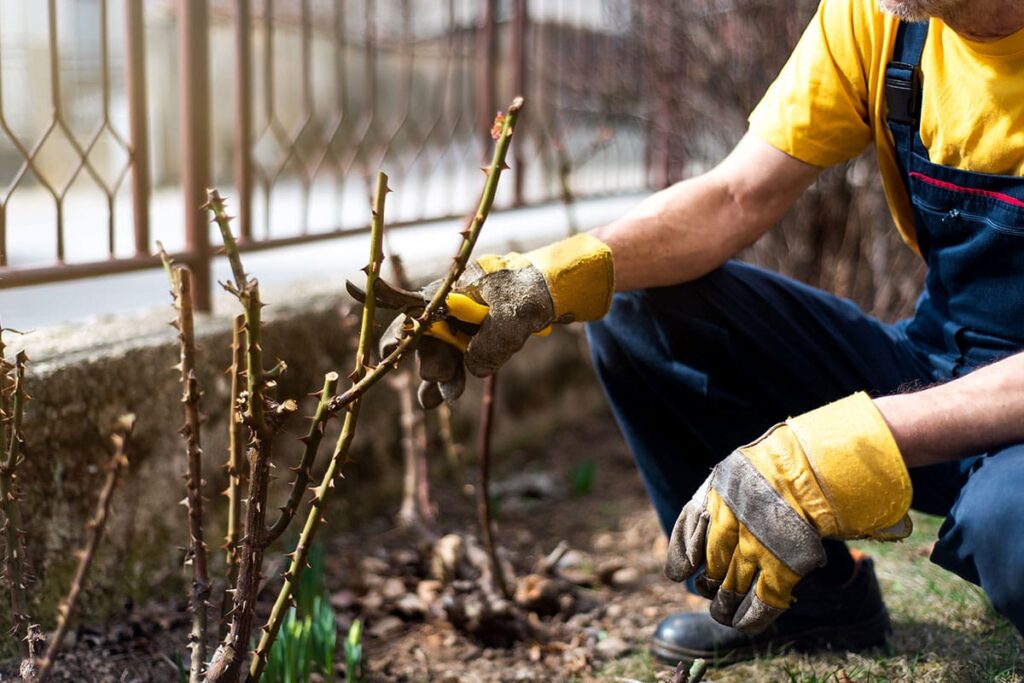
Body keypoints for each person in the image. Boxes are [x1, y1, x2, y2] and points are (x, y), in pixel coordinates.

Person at [381, 0, 1024, 665]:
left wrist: (856, 442)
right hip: (940, 358)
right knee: (638, 303)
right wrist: (550, 279)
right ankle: (802, 607)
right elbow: (735, 196)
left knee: (1012, 523)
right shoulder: (881, 20)